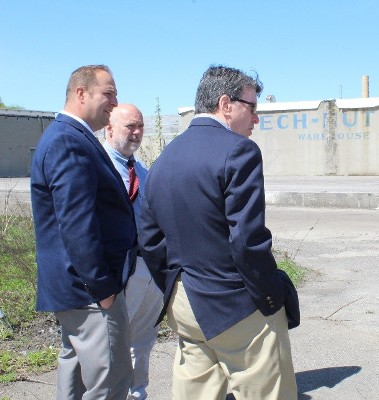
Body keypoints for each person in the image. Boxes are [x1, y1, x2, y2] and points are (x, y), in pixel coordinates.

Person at [138, 65, 300, 400]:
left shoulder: (163, 160)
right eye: (252, 108)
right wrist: (271, 296)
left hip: (183, 303)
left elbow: (149, 240)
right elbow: (247, 241)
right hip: (236, 305)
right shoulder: (239, 151)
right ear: (225, 104)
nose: (256, 119)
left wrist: (176, 286)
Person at [30, 65, 137, 399]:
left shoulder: (70, 137)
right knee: (110, 385)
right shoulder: (68, 141)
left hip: (78, 290)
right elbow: (77, 223)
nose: (115, 102)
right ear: (81, 93)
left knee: (75, 379)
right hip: (90, 293)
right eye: (108, 93)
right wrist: (103, 289)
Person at [104, 103, 163, 400]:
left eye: (140, 126)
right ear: (109, 128)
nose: (137, 133)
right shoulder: (99, 168)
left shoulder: (141, 170)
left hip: (149, 268)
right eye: (130, 127)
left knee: (142, 340)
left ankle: (137, 393)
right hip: (120, 272)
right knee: (112, 343)